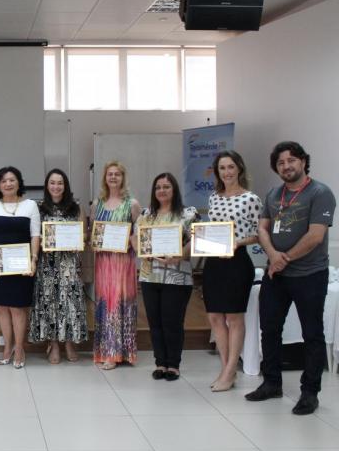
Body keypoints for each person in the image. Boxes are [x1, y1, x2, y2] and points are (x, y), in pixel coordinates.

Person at [246, 141, 335, 415]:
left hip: (309, 274)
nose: (286, 166)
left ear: (303, 162)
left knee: (312, 333)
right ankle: (271, 383)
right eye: (281, 162)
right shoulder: (274, 194)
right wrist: (273, 255)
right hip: (276, 275)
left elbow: (315, 236)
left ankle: (310, 392)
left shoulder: (320, 193)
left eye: (291, 160)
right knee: (269, 329)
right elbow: (262, 228)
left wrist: (283, 259)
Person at [202, 151, 261, 392]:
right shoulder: (213, 198)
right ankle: (226, 368)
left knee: (234, 317)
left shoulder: (251, 199)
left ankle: (229, 371)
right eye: (222, 168)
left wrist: (239, 242)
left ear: (239, 169)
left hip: (237, 261)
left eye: (230, 167)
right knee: (215, 317)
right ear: (217, 172)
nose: (227, 172)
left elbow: (259, 233)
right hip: (214, 262)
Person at [135, 173, 199, 381]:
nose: (162, 191)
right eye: (158, 187)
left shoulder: (188, 214)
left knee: (172, 321)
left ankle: (174, 364)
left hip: (177, 277)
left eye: (166, 187)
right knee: (155, 322)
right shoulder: (146, 215)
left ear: (174, 190)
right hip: (149, 275)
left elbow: (197, 240)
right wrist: (145, 251)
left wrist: (180, 254)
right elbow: (135, 239)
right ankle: (160, 362)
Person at [0, 166, 40, 369]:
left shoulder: (30, 205)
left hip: (22, 266)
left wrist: (33, 260)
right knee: (3, 308)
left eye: (12, 180)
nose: (8, 183)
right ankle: (7, 348)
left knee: (18, 309)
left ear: (19, 182)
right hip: (0, 266)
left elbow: (35, 235)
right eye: (4, 180)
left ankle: (20, 347)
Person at [29, 169, 87, 364]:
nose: (56, 186)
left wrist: (75, 240)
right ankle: (53, 344)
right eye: (52, 183)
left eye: (60, 183)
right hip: (47, 264)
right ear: (47, 185)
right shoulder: (38, 208)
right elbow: (34, 235)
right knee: (50, 304)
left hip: (69, 264)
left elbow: (84, 236)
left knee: (70, 303)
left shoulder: (76, 207)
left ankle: (69, 342)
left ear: (65, 185)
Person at [91, 161, 141, 370]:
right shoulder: (97, 204)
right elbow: (93, 234)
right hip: (104, 262)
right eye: (110, 174)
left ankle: (122, 352)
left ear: (123, 178)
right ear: (105, 178)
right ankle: (107, 351)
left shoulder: (133, 204)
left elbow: (138, 234)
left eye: (117, 174)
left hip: (123, 263)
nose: (113, 177)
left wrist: (130, 239)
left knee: (121, 303)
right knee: (107, 303)